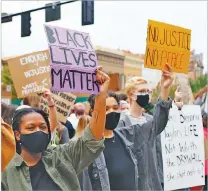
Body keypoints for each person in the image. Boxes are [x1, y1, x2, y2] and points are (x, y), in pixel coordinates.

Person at [1, 66, 110, 190]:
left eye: (42, 127)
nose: (38, 131)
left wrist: (101, 95)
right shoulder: (6, 172)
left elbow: (92, 140)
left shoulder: (62, 157)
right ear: (17, 134)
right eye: (30, 128)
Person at [116, 63, 182, 190]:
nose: (146, 94)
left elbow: (161, 116)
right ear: (131, 94)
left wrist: (165, 87)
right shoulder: (121, 122)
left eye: (148, 91)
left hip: (152, 184)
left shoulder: (150, 120)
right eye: (141, 91)